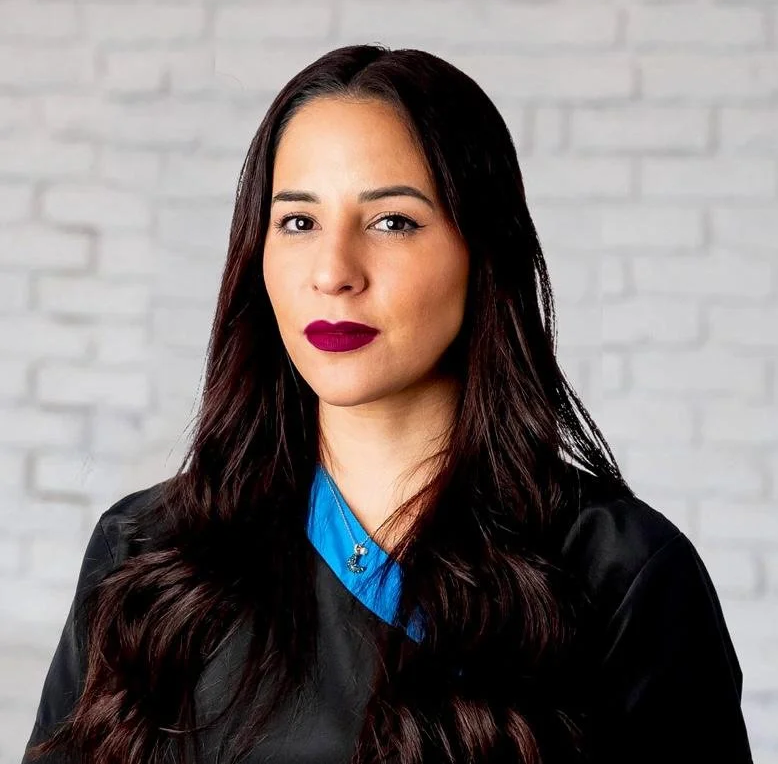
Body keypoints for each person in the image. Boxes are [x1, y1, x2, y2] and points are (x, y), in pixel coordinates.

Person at [22, 43, 753, 764]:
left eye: (392, 221)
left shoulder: (620, 576)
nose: (334, 271)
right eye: (298, 222)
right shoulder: (145, 552)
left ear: (481, 251)